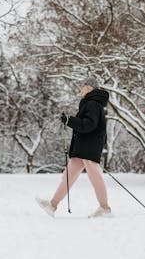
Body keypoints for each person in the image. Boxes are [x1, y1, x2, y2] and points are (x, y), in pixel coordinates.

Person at [36, 77, 112, 218]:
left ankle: (105, 208)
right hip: (83, 148)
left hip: (89, 147)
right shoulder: (90, 103)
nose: (80, 89)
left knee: (95, 176)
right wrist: (70, 121)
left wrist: (70, 120)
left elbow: (89, 125)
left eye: (82, 86)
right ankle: (52, 205)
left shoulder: (92, 104)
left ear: (89, 88)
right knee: (68, 176)